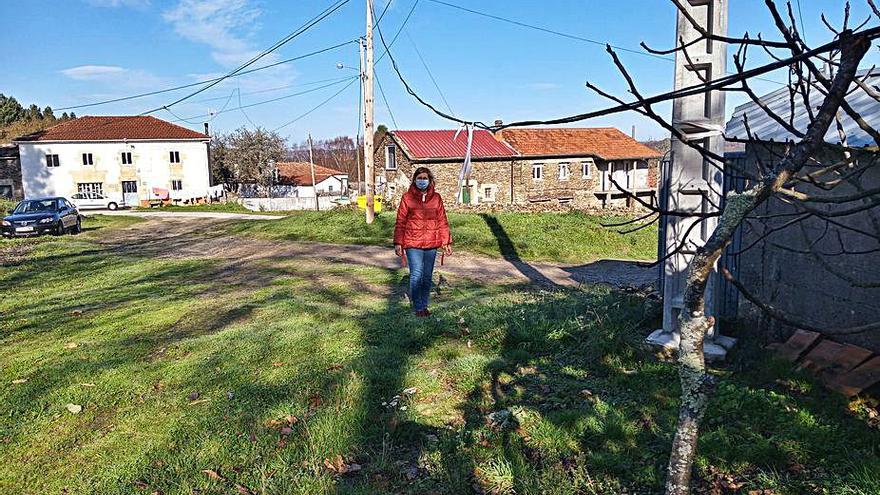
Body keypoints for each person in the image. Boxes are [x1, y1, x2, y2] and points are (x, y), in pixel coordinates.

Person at [393, 167, 453, 317]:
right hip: (412, 243)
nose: (422, 181)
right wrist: (398, 242)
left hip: (432, 243)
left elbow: (442, 221)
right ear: (414, 180)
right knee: (416, 274)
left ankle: (424, 305)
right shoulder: (407, 198)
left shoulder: (437, 198)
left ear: (430, 180)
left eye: (424, 178)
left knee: (427, 276)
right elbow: (400, 221)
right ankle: (418, 306)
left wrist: (446, 242)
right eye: (419, 178)